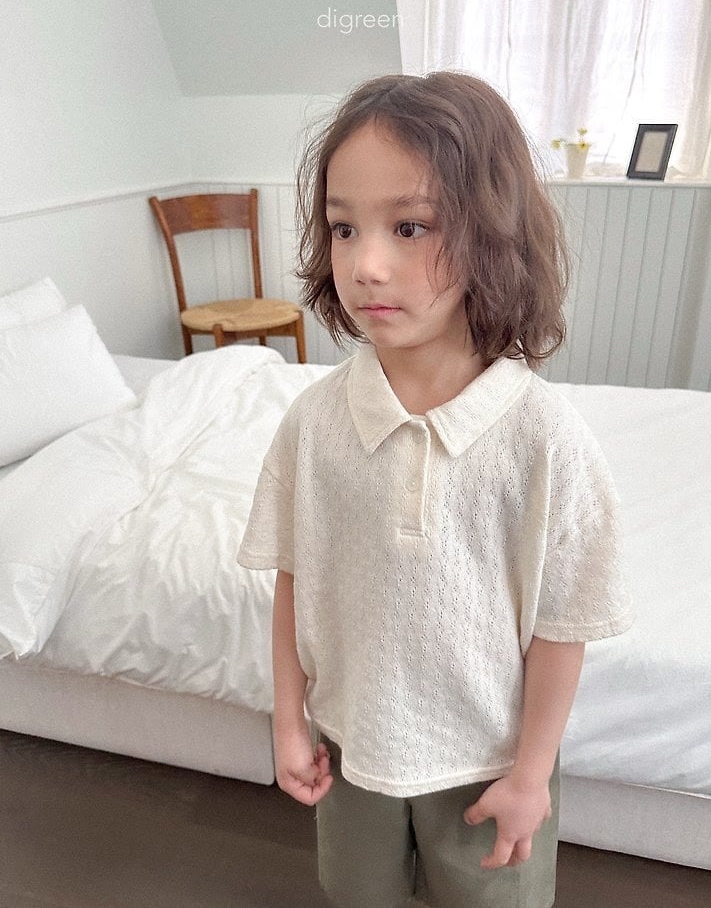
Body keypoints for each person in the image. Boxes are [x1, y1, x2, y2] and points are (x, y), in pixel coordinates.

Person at [238, 72, 633, 908]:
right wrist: (288, 718)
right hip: (353, 752)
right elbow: (294, 576)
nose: (366, 264)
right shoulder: (314, 423)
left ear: (493, 234)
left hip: (490, 766)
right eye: (344, 227)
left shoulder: (543, 436)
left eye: (410, 226)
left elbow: (563, 624)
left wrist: (532, 774)